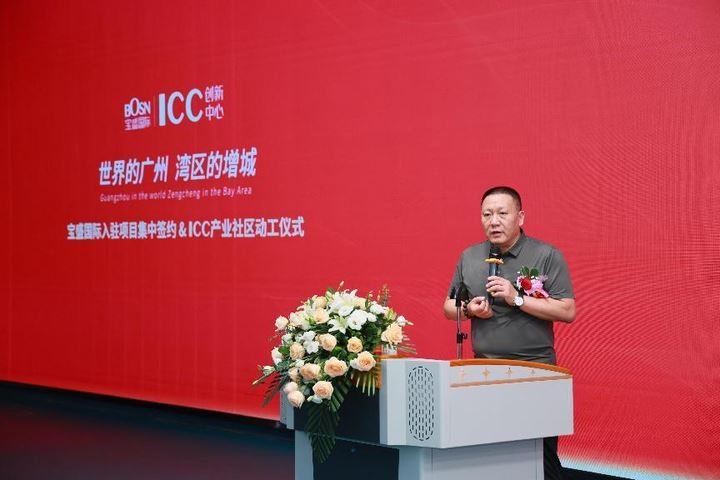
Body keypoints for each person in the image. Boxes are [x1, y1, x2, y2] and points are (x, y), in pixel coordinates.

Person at [443, 186, 575, 480]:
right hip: (485, 370)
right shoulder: (470, 256)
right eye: (487, 214)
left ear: (520, 217)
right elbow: (449, 307)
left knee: (540, 458)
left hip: (535, 371)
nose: (494, 221)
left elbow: (567, 310)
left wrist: (517, 299)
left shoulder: (545, 255)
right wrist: (470, 309)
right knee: (490, 456)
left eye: (502, 213)